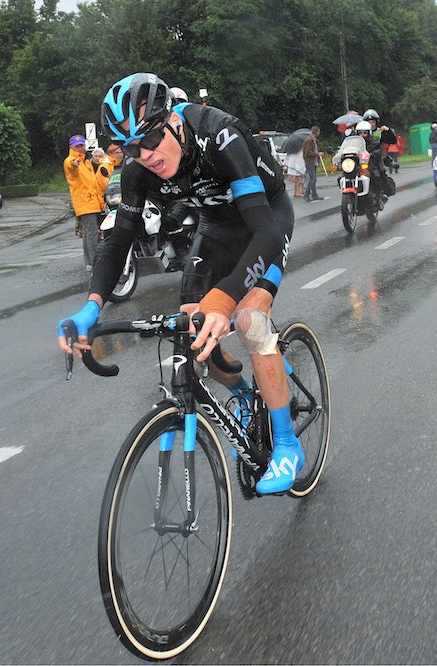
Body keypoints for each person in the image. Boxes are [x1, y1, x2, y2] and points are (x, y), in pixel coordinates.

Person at [57, 73, 302, 494]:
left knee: (247, 321)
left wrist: (226, 301)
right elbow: (118, 242)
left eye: (150, 139)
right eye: (132, 147)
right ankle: (247, 393)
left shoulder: (219, 135)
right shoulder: (139, 170)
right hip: (217, 227)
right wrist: (91, 307)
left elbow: (264, 231)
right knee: (190, 331)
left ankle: (286, 444)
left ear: (172, 119)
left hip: (266, 219)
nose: (145, 154)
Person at [63, 134, 103, 271]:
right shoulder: (71, 160)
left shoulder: (86, 163)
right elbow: (70, 165)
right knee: (91, 233)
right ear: (71, 147)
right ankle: (95, 262)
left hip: (91, 202)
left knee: (88, 233)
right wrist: (74, 163)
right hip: (86, 203)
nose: (80, 148)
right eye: (77, 146)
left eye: (82, 145)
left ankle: (90, 263)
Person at [354, 120, 386, 208]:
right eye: (360, 132)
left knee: (375, 174)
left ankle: (379, 197)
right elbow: (347, 148)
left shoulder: (373, 142)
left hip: (370, 164)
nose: (362, 134)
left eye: (364, 132)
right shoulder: (354, 142)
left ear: (369, 132)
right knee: (342, 176)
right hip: (356, 165)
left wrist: (373, 154)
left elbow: (378, 150)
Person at [302, 125, 324, 202]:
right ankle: (306, 195)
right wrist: (317, 154)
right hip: (309, 162)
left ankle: (314, 195)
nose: (319, 133)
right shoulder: (309, 141)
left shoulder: (313, 140)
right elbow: (307, 153)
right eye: (318, 132)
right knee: (312, 179)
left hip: (313, 162)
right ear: (316, 132)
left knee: (313, 179)